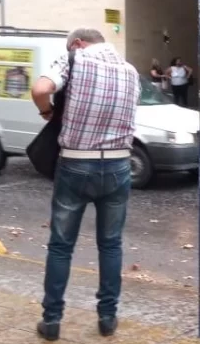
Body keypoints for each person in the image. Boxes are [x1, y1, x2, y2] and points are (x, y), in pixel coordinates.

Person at [31, 28, 140, 341]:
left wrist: (48, 112)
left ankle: (51, 321)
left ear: (77, 44)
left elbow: (40, 89)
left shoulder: (74, 60)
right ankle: (107, 317)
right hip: (119, 165)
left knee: (61, 246)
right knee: (110, 244)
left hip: (76, 164)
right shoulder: (130, 70)